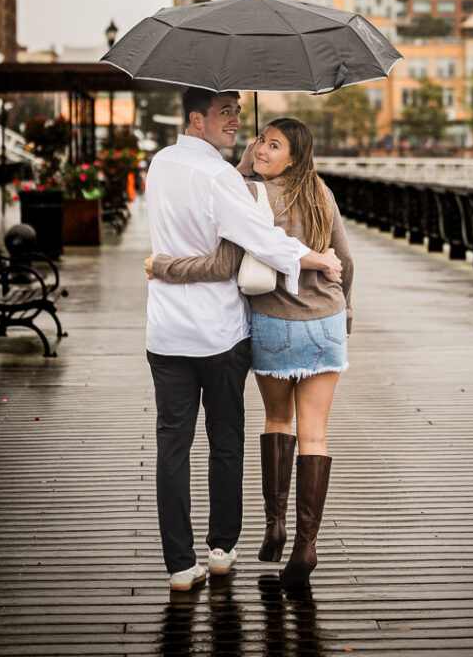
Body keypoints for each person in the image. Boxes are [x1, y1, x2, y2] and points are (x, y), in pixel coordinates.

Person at [145, 91, 343, 592]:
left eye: (238, 111)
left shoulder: (160, 164)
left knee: (172, 443)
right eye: (224, 113)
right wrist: (317, 260)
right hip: (219, 333)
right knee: (225, 440)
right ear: (197, 119)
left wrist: (163, 266)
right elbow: (260, 241)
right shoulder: (221, 178)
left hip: (166, 330)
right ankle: (221, 547)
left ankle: (178, 564)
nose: (236, 120)